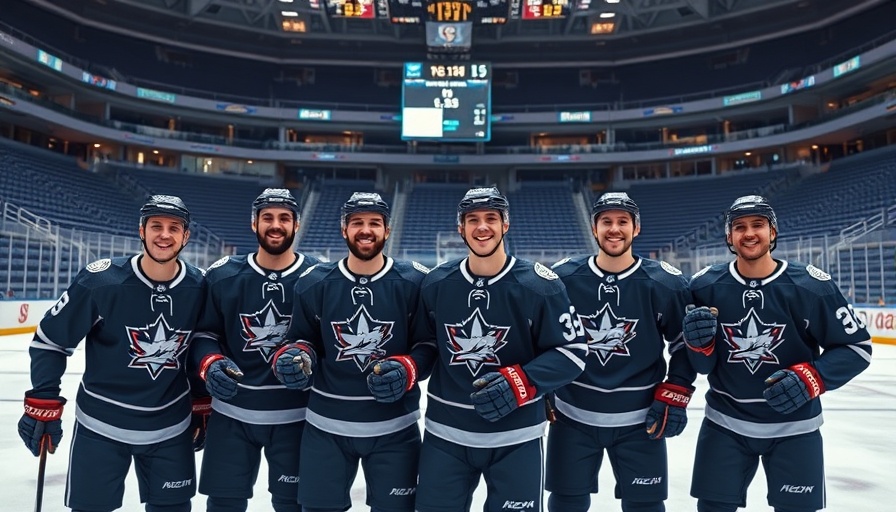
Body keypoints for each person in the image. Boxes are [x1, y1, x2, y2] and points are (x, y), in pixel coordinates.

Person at [682, 195, 873, 512]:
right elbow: (702, 365)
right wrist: (699, 345)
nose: (749, 233)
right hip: (724, 423)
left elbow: (856, 347)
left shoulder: (812, 286)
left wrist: (812, 378)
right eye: (739, 227)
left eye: (758, 225)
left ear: (773, 232)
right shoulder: (704, 285)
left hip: (795, 428)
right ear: (729, 237)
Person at [17, 195, 206, 512]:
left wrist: (201, 399)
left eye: (174, 227)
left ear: (185, 237)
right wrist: (43, 397)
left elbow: (202, 343)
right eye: (156, 225)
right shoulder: (101, 281)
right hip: (100, 425)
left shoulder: (200, 286)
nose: (164, 234)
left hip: (171, 426)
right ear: (141, 231)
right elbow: (50, 341)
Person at [414, 186, 588, 511]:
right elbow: (425, 345)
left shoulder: (541, 285)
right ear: (460, 227)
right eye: (473, 219)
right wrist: (408, 366)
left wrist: (522, 382)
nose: (482, 227)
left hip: (517, 438)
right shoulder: (436, 283)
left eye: (491, 218)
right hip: (445, 435)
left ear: (505, 224)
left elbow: (574, 352)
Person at [270, 192, 430, 512]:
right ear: (344, 230)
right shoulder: (314, 282)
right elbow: (301, 339)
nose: (365, 230)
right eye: (357, 222)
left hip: (395, 429)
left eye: (374, 223)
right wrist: (297, 356)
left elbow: (428, 346)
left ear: (388, 230)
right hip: (325, 427)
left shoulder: (415, 281)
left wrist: (409, 367)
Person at [547, 192, 696, 512]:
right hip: (572, 417)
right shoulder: (564, 277)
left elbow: (684, 344)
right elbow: (544, 340)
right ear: (594, 227)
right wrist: (541, 387)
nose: (614, 229)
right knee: (565, 503)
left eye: (622, 222)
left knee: (645, 505)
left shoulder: (665, 282)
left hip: (640, 422)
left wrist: (678, 389)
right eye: (606, 222)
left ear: (636, 228)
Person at [189, 188, 319, 512]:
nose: (276, 225)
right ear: (254, 223)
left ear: (296, 225)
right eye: (268, 217)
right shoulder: (222, 275)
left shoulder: (319, 277)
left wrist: (308, 358)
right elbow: (204, 333)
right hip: (232, 415)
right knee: (223, 505)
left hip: (297, 418)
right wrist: (210, 362)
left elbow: (327, 341)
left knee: (293, 505)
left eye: (284, 218)